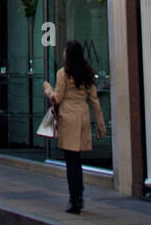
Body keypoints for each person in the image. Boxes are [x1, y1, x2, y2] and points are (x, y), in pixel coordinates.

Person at [42, 39, 106, 214]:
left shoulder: (63, 73)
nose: (62, 54)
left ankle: (75, 198)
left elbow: (57, 98)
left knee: (71, 161)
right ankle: (79, 195)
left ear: (69, 54)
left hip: (69, 117)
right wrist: (100, 124)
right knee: (76, 160)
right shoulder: (88, 73)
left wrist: (47, 89)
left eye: (64, 51)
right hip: (83, 117)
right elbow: (94, 100)